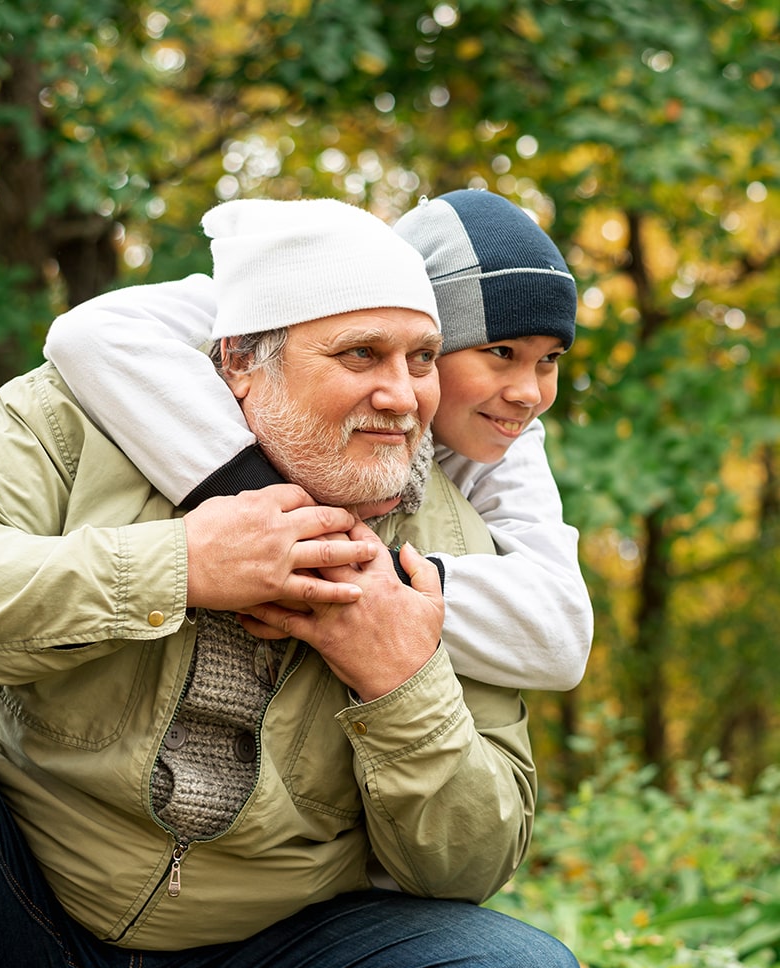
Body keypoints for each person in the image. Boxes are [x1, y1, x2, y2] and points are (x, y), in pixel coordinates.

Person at [0, 197, 587, 968]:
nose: (403, 395)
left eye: (420, 359)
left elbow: (472, 864)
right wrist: (177, 566)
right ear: (240, 359)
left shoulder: (462, 550)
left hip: (260, 961)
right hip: (6, 904)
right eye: (360, 355)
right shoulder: (81, 419)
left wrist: (400, 684)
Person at [44, 189, 593, 691]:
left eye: (550, 360)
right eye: (501, 353)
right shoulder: (291, 296)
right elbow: (89, 333)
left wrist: (362, 573)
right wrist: (257, 499)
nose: (528, 392)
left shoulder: (511, 439)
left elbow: (560, 635)